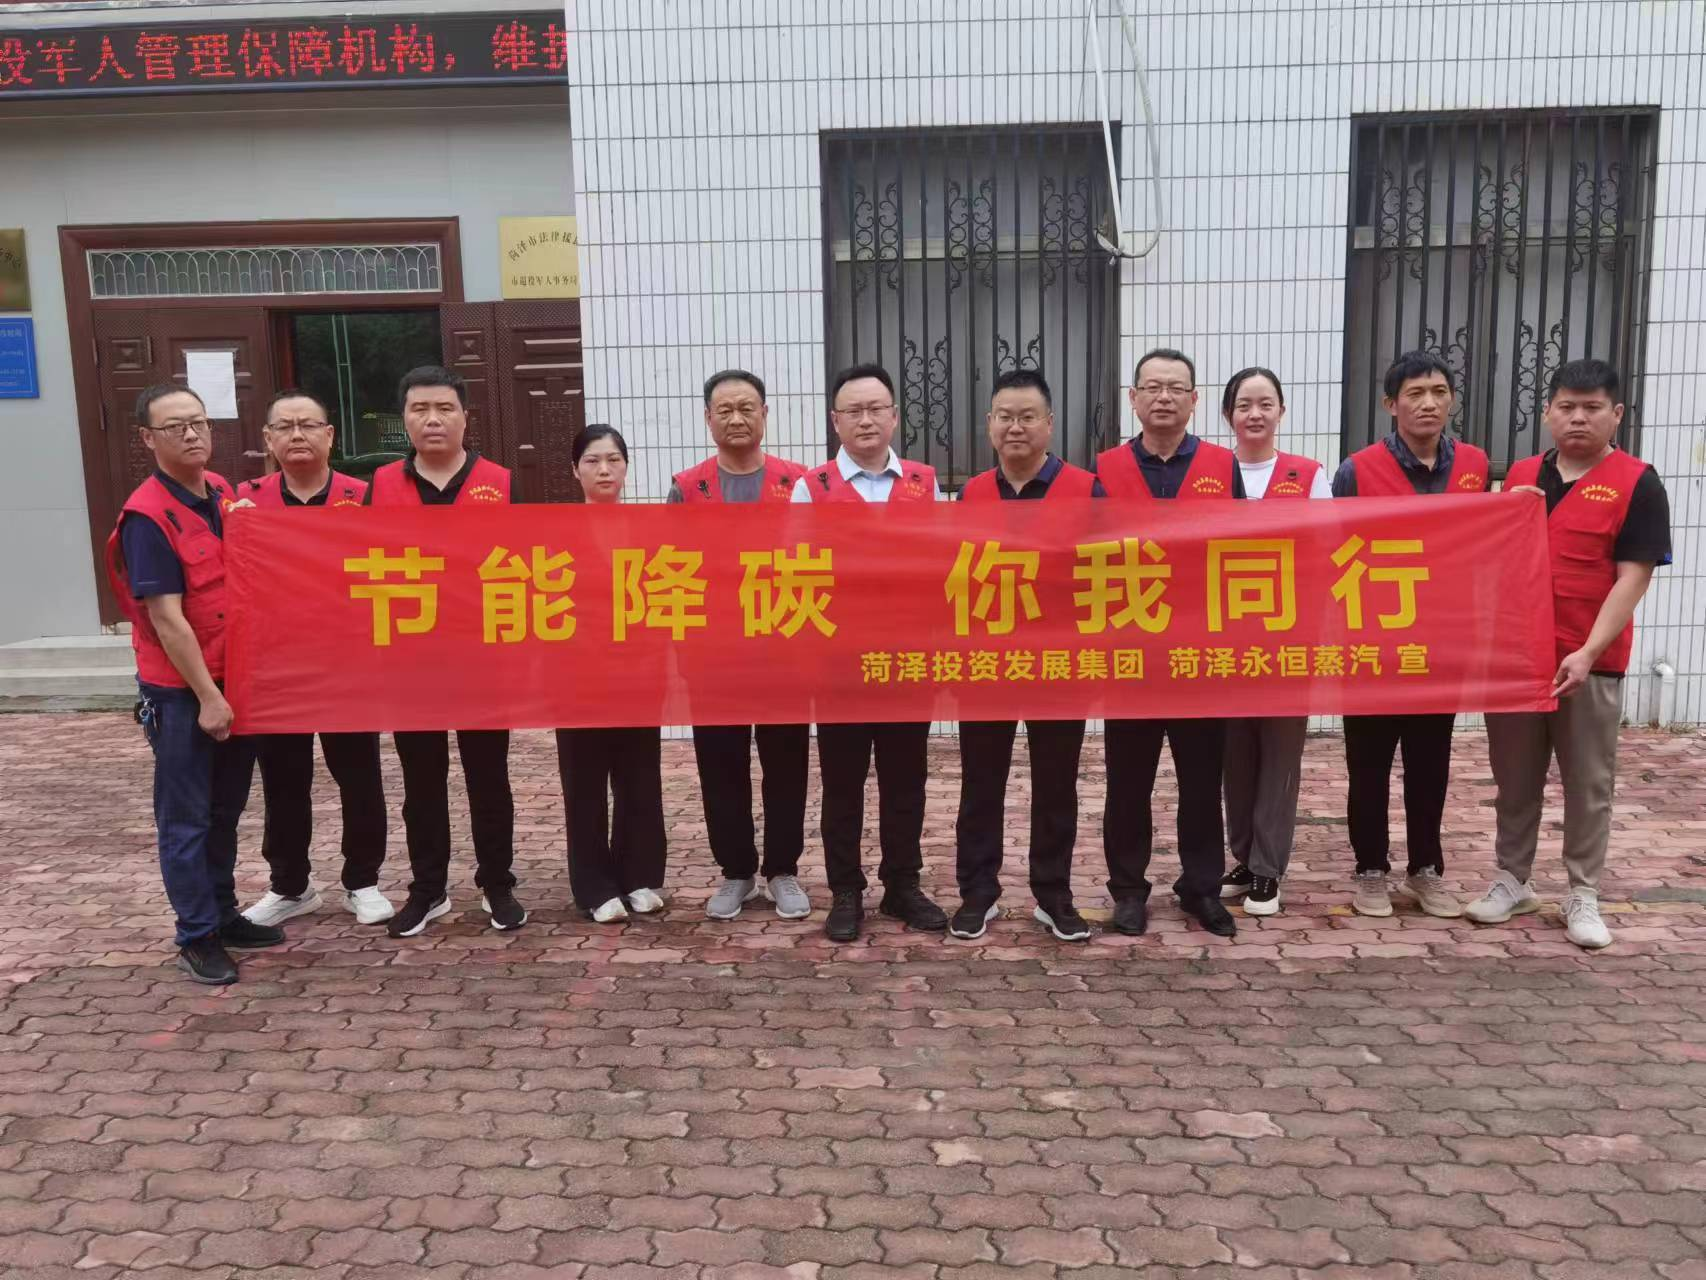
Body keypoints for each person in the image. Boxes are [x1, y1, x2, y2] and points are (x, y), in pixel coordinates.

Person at [1467, 359, 1671, 949]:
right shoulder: (1522, 474)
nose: (1578, 418)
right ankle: (1512, 879)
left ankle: (1583, 892)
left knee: (1588, 784)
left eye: (1592, 408)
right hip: (1516, 661)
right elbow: (1489, 558)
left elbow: (1633, 577)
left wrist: (1587, 651)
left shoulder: (1638, 482)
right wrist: (1502, 511)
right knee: (1514, 779)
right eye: (1567, 407)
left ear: (1617, 414)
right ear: (1548, 413)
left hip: (1589, 664)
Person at [105, 384, 280, 984]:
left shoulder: (223, 493)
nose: (190, 434)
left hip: (235, 677)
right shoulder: (148, 517)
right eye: (174, 426)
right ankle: (196, 935)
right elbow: (168, 619)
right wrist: (208, 697)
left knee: (225, 808)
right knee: (187, 817)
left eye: (198, 422)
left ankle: (223, 913)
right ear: (147, 439)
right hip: (182, 692)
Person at [366, 366, 526, 937]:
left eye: (444, 408)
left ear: (464, 417)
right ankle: (428, 889)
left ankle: (497, 883)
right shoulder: (381, 485)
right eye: (420, 409)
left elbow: (527, 565)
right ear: (404, 419)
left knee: (489, 778)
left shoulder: (501, 482)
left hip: (483, 660)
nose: (432, 419)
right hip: (411, 662)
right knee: (422, 782)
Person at [791, 363, 947, 942]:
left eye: (876, 408)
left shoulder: (925, 482)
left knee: (906, 781)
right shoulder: (812, 488)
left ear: (895, 416)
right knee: (843, 783)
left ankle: (902, 884)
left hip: (907, 660)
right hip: (840, 665)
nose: (865, 420)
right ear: (835, 421)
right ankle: (846, 890)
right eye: (853, 411)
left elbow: (941, 564)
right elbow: (797, 572)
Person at [1332, 350, 1489, 920]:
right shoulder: (1357, 470)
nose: (1428, 404)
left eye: (1439, 392)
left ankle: (1426, 869)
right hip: (1372, 644)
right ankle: (1370, 869)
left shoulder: (1473, 464)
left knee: (1430, 763)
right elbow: (1335, 553)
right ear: (1390, 404)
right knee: (1368, 765)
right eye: (1415, 394)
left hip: (1440, 644)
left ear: (1451, 401)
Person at [1093, 348, 1240, 938]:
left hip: (1199, 652)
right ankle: (1128, 890)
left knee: (1201, 781)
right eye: (1152, 386)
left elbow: (1243, 548)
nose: (1164, 397)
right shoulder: (1104, 469)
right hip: (1131, 652)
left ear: (1194, 399)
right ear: (1133, 398)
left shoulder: (1221, 466)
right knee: (1128, 782)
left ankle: (1201, 888)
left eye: (1176, 387)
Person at [233, 390, 393, 928]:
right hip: (277, 669)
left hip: (347, 665)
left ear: (330, 435)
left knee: (359, 777)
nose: (296, 435)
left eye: (308, 425)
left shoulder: (363, 498)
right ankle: (290, 886)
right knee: (283, 781)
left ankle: (363, 880)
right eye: (285, 426)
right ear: (267, 439)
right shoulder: (244, 503)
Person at [951, 368, 1101, 942]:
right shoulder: (970, 494)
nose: (1016, 427)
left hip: (1059, 664)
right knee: (980, 783)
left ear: (1049, 424)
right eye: (1005, 417)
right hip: (987, 664)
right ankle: (978, 892)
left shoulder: (1087, 490)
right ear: (989, 424)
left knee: (1057, 784)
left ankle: (1053, 893)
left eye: (1027, 417)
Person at [668, 370, 812, 921]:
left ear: (765, 414)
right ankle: (736, 872)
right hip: (714, 655)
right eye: (724, 409)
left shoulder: (798, 483)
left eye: (747, 408)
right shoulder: (687, 487)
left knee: (786, 765)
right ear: (708, 419)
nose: (736, 418)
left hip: (783, 648)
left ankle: (782, 870)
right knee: (720, 765)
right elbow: (671, 568)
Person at [1217, 367, 1330, 919]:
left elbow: (1326, 551)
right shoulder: (1211, 474)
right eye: (1244, 405)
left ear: (1282, 411)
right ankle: (1243, 855)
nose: (1255, 414)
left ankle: (1268, 866)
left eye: (1265, 403)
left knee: (1280, 756)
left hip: (1288, 641)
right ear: (1228, 415)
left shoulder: (1308, 475)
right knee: (1235, 756)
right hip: (1224, 641)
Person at [557, 425, 670, 922]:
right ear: (575, 470)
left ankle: (638, 876)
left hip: (639, 673)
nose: (604, 470)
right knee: (584, 782)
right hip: (577, 677)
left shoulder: (647, 527)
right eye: (592, 461)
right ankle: (594, 886)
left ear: (626, 467)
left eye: (613, 460)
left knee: (639, 777)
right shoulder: (556, 532)